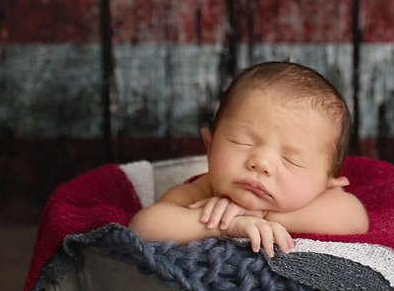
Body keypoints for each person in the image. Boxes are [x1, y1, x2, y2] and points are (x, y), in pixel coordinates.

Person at [128, 61, 369, 257]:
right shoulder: (201, 192)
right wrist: (225, 225)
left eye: (291, 160)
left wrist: (264, 215)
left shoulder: (321, 200)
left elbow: (354, 219)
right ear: (210, 146)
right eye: (242, 142)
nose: (261, 163)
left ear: (329, 182)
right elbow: (143, 227)